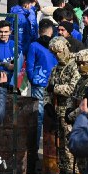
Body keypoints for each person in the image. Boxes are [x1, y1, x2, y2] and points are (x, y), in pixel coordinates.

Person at [49, 36, 81, 174]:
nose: (58, 55)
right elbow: (49, 86)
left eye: (60, 51)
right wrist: (49, 101)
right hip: (58, 111)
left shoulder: (74, 66)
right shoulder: (57, 68)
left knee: (69, 147)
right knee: (60, 146)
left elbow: (71, 89)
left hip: (69, 113)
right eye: (55, 52)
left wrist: (55, 88)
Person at [26, 19, 58, 148]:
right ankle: (51, 147)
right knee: (53, 115)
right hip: (53, 84)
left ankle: (34, 147)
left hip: (38, 83)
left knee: (38, 116)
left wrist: (32, 80)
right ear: (51, 31)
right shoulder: (56, 45)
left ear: (39, 32)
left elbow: (29, 66)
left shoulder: (34, 45)